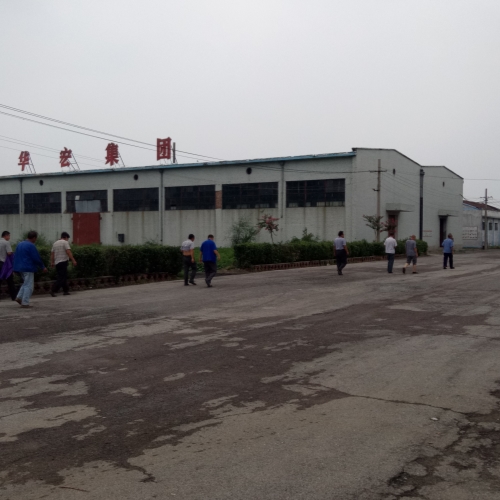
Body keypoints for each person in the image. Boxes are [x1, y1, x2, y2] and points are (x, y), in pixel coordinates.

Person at [13, 230, 48, 308]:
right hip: (28, 267)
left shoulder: (19, 244)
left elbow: (15, 256)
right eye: (36, 238)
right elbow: (36, 258)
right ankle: (25, 302)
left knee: (25, 283)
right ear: (34, 238)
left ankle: (19, 297)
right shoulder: (31, 245)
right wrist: (42, 266)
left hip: (19, 267)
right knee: (29, 285)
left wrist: (15, 268)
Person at [50, 232, 77, 297]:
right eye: (68, 238)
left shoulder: (55, 243)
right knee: (61, 277)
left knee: (63, 276)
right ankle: (53, 290)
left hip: (57, 262)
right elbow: (68, 252)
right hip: (63, 262)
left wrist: (52, 262)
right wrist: (73, 260)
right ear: (66, 237)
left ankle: (65, 290)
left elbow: (52, 254)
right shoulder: (65, 242)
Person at [0, 230, 16, 300]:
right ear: (6, 235)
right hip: (4, 264)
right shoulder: (6, 242)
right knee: (10, 281)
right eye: (9, 236)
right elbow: (9, 253)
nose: (9, 238)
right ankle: (14, 296)